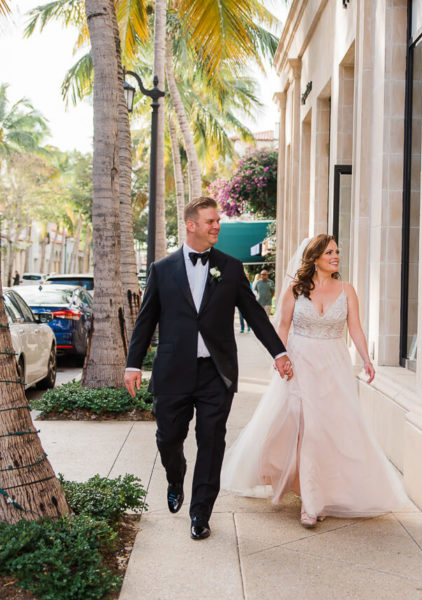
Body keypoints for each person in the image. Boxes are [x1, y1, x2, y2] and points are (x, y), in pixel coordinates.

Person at [124, 196, 294, 541]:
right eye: (211, 221)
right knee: (168, 437)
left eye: (218, 221)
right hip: (172, 371)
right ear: (191, 226)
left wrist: (278, 353)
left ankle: (200, 513)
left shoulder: (231, 268)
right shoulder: (161, 270)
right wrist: (132, 365)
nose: (217, 226)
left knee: (212, 442)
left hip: (216, 373)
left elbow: (255, 315)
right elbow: (145, 322)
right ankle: (176, 475)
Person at [222, 234, 407, 528]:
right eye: (330, 252)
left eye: (337, 251)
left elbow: (355, 328)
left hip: (334, 367)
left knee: (329, 430)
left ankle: (325, 492)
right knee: (307, 429)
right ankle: (310, 501)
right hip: (300, 364)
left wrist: (368, 360)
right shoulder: (295, 290)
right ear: (315, 257)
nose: (336, 256)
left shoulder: (347, 290)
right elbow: (281, 327)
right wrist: (278, 359)